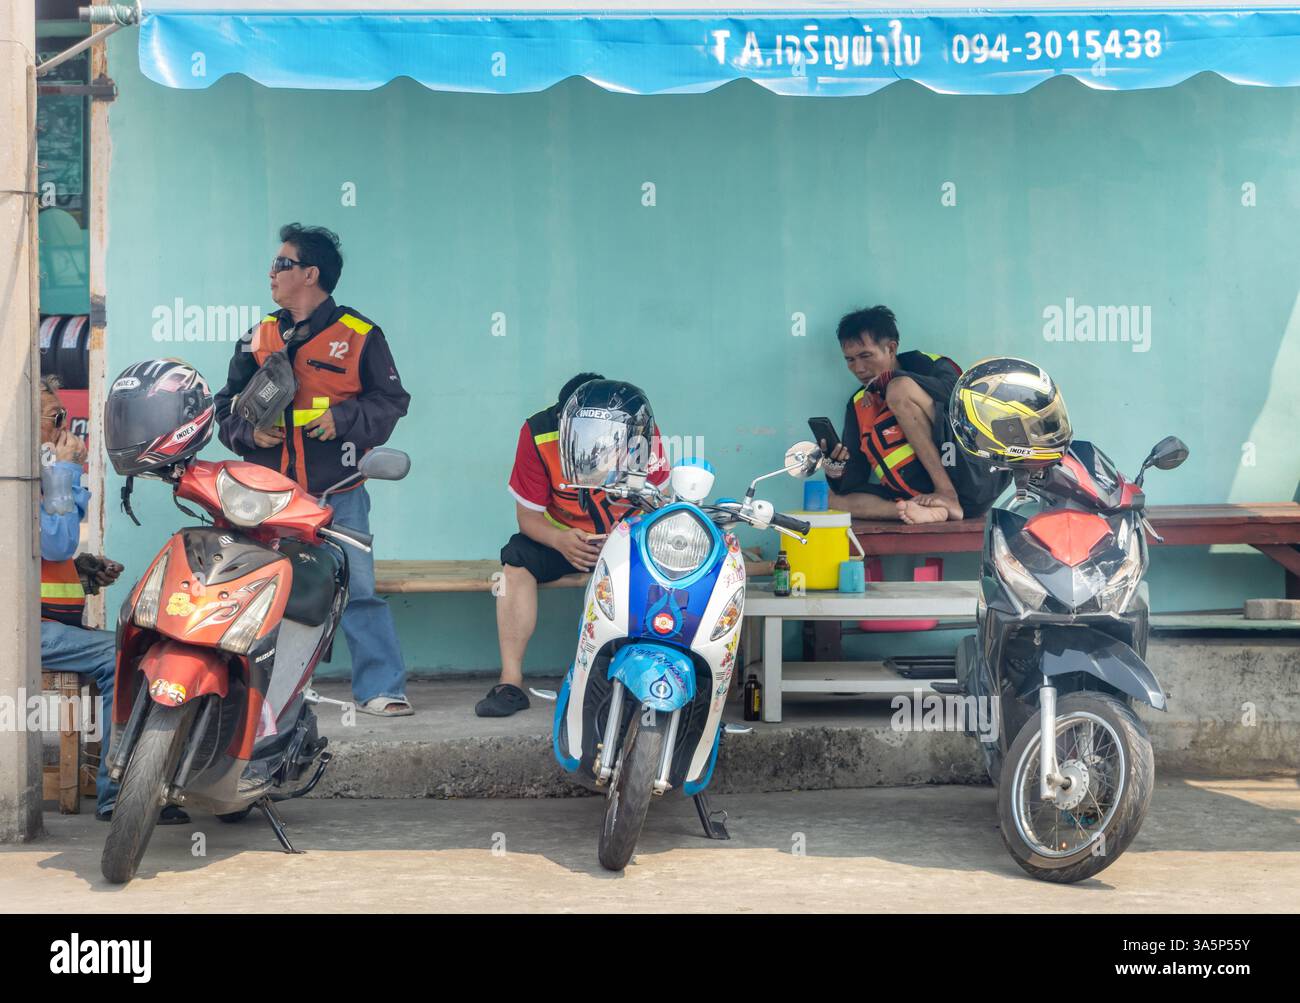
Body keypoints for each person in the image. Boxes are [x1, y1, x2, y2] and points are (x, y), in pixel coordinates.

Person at [213, 223, 413, 716]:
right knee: (258, 589)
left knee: (358, 591)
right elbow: (223, 408)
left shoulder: (360, 335)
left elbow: (392, 403)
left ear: (311, 273)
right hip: (269, 496)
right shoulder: (257, 336)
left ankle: (380, 687)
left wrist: (341, 418)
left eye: (281, 264)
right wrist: (248, 435)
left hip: (338, 492)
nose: (272, 273)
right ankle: (251, 696)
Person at [36, 376, 189, 823]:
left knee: (138, 646)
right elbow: (55, 544)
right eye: (54, 418)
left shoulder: (37, 473)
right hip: (24, 632)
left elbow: (41, 560)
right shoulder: (18, 476)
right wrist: (64, 473)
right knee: (126, 656)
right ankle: (120, 793)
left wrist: (82, 575)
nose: (64, 427)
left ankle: (125, 782)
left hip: (46, 625)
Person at [477, 375, 669, 718]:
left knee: (667, 561)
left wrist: (623, 536)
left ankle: (637, 679)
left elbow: (659, 505)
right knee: (516, 558)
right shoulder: (539, 432)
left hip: (627, 537)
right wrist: (560, 541)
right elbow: (528, 518)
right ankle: (510, 682)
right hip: (566, 541)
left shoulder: (640, 427)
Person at [822, 305, 1008, 524]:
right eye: (850, 360)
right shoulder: (858, 403)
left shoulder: (930, 364)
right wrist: (835, 468)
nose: (859, 368)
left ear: (891, 349)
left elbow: (958, 396)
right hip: (919, 498)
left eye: (865, 356)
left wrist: (892, 378)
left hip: (970, 478)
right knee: (832, 500)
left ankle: (946, 495)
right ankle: (917, 510)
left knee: (899, 389)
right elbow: (852, 483)